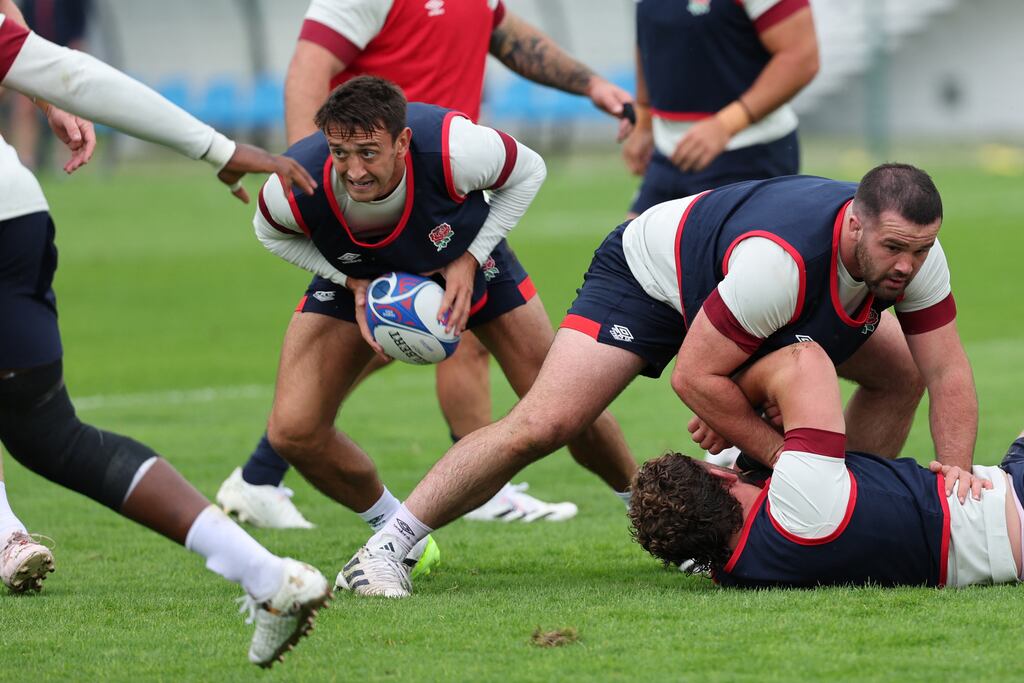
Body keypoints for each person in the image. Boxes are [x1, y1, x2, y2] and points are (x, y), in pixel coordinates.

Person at [337, 162, 985, 598]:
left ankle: (829, 533)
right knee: (546, 423)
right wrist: (776, 448)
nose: (907, 265)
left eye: (920, 249)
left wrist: (955, 471)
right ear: (854, 223)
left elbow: (946, 368)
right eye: (895, 247)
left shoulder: (915, 258)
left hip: (744, 307)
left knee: (901, 373)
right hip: (652, 278)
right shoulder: (780, 265)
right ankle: (386, 550)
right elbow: (696, 377)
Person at [216, 0, 635, 529]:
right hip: (362, 244)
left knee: (564, 401)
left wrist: (471, 254)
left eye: (366, 153)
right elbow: (306, 75)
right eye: (341, 155)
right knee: (294, 428)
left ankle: (647, 509)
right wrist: (347, 267)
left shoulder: (456, 148)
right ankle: (397, 530)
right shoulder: (308, 181)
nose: (352, 168)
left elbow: (524, 144)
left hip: (451, 218)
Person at [0, 5, 330, 667]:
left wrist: (36, 82)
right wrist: (215, 145)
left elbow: (56, 67)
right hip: (13, 209)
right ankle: (267, 576)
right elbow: (62, 67)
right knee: (48, 433)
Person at [630, 342, 1021, 590]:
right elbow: (805, 360)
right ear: (717, 474)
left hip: (1000, 500)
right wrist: (724, 402)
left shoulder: (733, 568)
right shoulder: (799, 500)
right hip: (1004, 510)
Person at [622, 0, 819, 218]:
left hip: (748, 151)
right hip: (668, 151)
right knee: (629, 248)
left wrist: (726, 124)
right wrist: (644, 118)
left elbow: (802, 56)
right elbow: (650, 33)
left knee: (729, 251)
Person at [6, 0, 91, 170]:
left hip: (63, 56)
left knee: (68, 108)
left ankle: (65, 160)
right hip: (34, 56)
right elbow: (20, 30)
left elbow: (79, 26)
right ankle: (25, 160)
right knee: (24, 108)